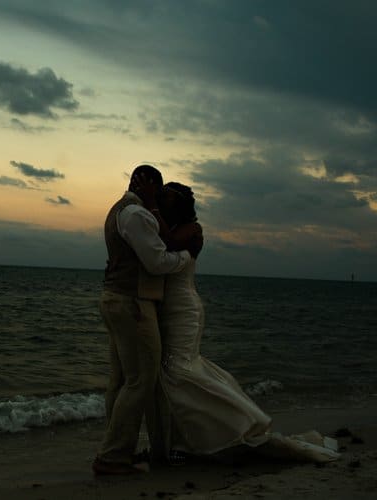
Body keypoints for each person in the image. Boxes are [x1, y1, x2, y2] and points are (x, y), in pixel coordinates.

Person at [154, 182, 340, 464]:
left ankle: (238, 423)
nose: (161, 202)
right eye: (161, 198)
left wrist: (150, 211)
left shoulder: (192, 229)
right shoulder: (172, 226)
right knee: (174, 371)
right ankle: (187, 439)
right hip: (169, 308)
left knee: (179, 371)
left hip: (184, 308)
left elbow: (166, 244)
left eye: (166, 198)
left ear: (179, 203)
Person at [92, 165, 200, 475]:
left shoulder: (119, 210)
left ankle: (112, 448)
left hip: (116, 299)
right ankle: (113, 457)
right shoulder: (137, 214)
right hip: (133, 304)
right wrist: (186, 257)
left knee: (121, 381)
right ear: (148, 185)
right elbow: (156, 262)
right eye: (157, 189)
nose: (159, 196)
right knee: (140, 380)